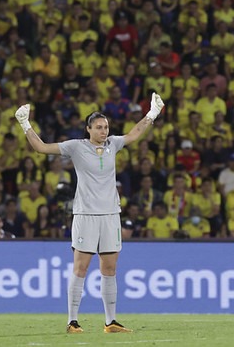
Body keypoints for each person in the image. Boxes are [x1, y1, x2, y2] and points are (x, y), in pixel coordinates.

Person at [15, 93, 166, 334]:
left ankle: (111, 321)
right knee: (81, 268)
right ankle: (72, 321)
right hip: (85, 215)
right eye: (99, 127)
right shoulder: (76, 147)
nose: (104, 131)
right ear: (88, 129)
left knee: (109, 269)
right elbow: (41, 148)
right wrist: (25, 123)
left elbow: (135, 133)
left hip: (110, 216)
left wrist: (152, 113)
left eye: (106, 127)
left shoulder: (113, 145)